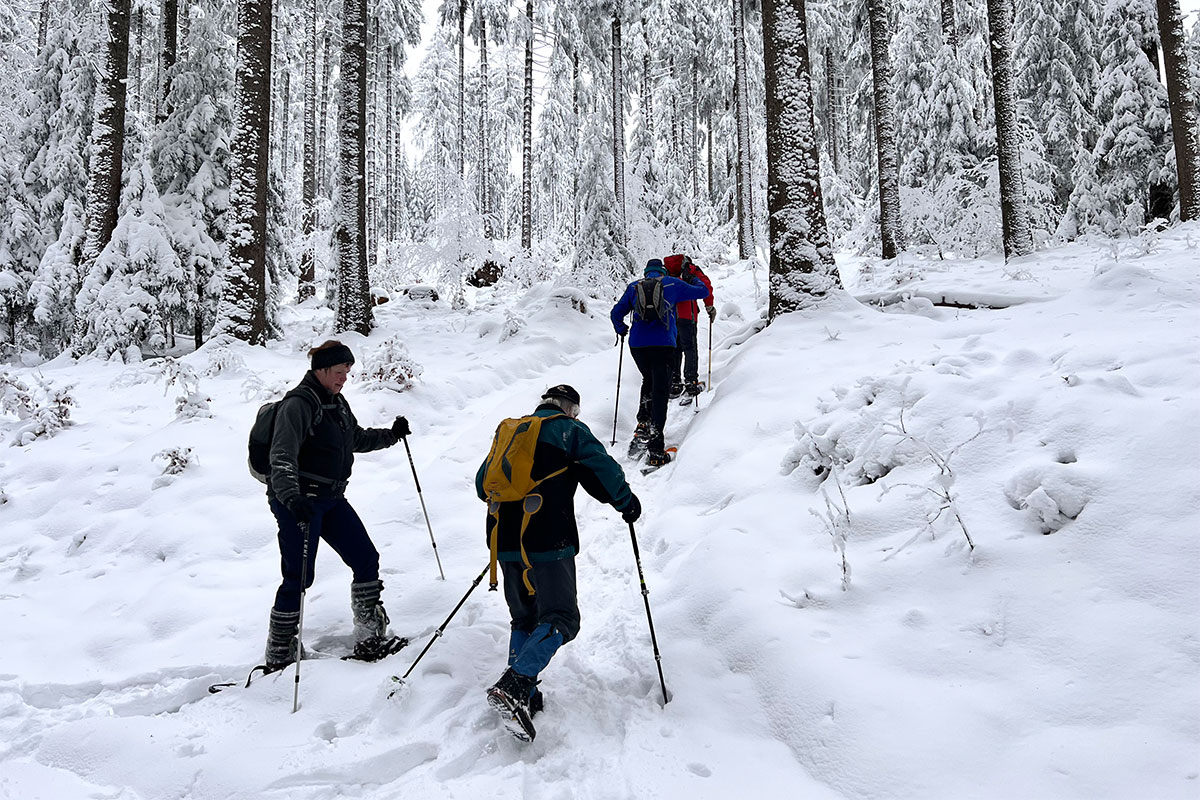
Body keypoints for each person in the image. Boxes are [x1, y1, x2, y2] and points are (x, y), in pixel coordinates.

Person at [476, 384, 641, 741]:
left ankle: (526, 695)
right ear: (569, 409)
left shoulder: (511, 432)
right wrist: (626, 502)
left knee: (525, 617)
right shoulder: (569, 430)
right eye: (575, 412)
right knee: (562, 618)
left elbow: (481, 484)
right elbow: (603, 468)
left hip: (503, 540)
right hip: (548, 538)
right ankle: (517, 685)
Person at [261, 339, 411, 671]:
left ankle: (369, 634)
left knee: (365, 558)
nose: (345, 378)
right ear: (321, 369)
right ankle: (280, 652)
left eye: (348, 372)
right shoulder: (298, 405)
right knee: (298, 576)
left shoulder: (336, 402)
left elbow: (354, 438)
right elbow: (281, 458)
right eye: (340, 372)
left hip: (330, 499)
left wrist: (391, 435)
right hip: (299, 502)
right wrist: (291, 499)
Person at [610, 258, 710, 466]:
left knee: (649, 379)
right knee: (661, 390)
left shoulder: (633, 287)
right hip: (664, 345)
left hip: (637, 346)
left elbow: (615, 313)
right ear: (662, 271)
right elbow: (703, 292)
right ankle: (656, 450)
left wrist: (621, 329)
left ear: (646, 272)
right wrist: (692, 277)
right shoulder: (673, 284)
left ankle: (643, 425)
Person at [663, 254, 715, 398]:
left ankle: (674, 383)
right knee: (690, 347)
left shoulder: (666, 271)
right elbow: (706, 286)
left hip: (670, 316)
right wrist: (709, 306)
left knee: (675, 348)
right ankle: (691, 382)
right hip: (688, 315)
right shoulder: (691, 270)